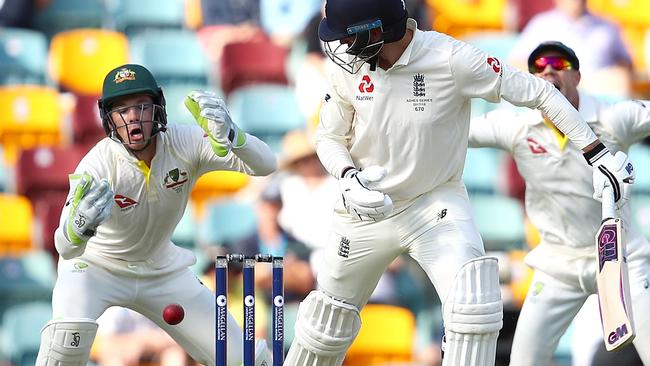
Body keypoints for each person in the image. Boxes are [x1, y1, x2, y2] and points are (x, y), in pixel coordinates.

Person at [283, 0, 636, 365]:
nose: (343, 49)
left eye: (350, 39)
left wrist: (596, 152)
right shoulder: (349, 69)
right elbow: (327, 138)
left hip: (433, 205)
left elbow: (541, 93)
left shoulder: (451, 58)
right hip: (365, 206)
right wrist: (347, 176)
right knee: (325, 323)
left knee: (473, 307)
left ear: (376, 31)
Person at [34, 63, 276, 366]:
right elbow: (66, 248)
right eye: (121, 109)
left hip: (162, 269)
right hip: (96, 268)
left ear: (157, 108)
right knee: (65, 342)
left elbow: (265, 164)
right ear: (107, 118)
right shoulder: (96, 165)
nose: (133, 116)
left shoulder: (184, 142)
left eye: (140, 106)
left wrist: (231, 134)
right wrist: (77, 226)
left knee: (242, 359)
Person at [468, 41, 650, 366]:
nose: (548, 69)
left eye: (558, 63)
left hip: (620, 258)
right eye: (538, 66)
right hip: (558, 265)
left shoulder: (612, 119)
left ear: (577, 76)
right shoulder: (517, 128)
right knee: (524, 361)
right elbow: (456, 133)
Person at [508, 0, 633, 96]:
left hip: (598, 95)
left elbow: (626, 68)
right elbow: (515, 64)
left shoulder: (608, 26)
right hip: (556, 94)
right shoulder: (541, 24)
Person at [93, 307, 192, 366]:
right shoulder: (115, 304)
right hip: (123, 352)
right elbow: (104, 339)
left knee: (174, 352)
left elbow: (176, 337)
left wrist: (143, 342)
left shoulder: (161, 299)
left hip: (154, 349)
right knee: (111, 352)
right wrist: (134, 343)